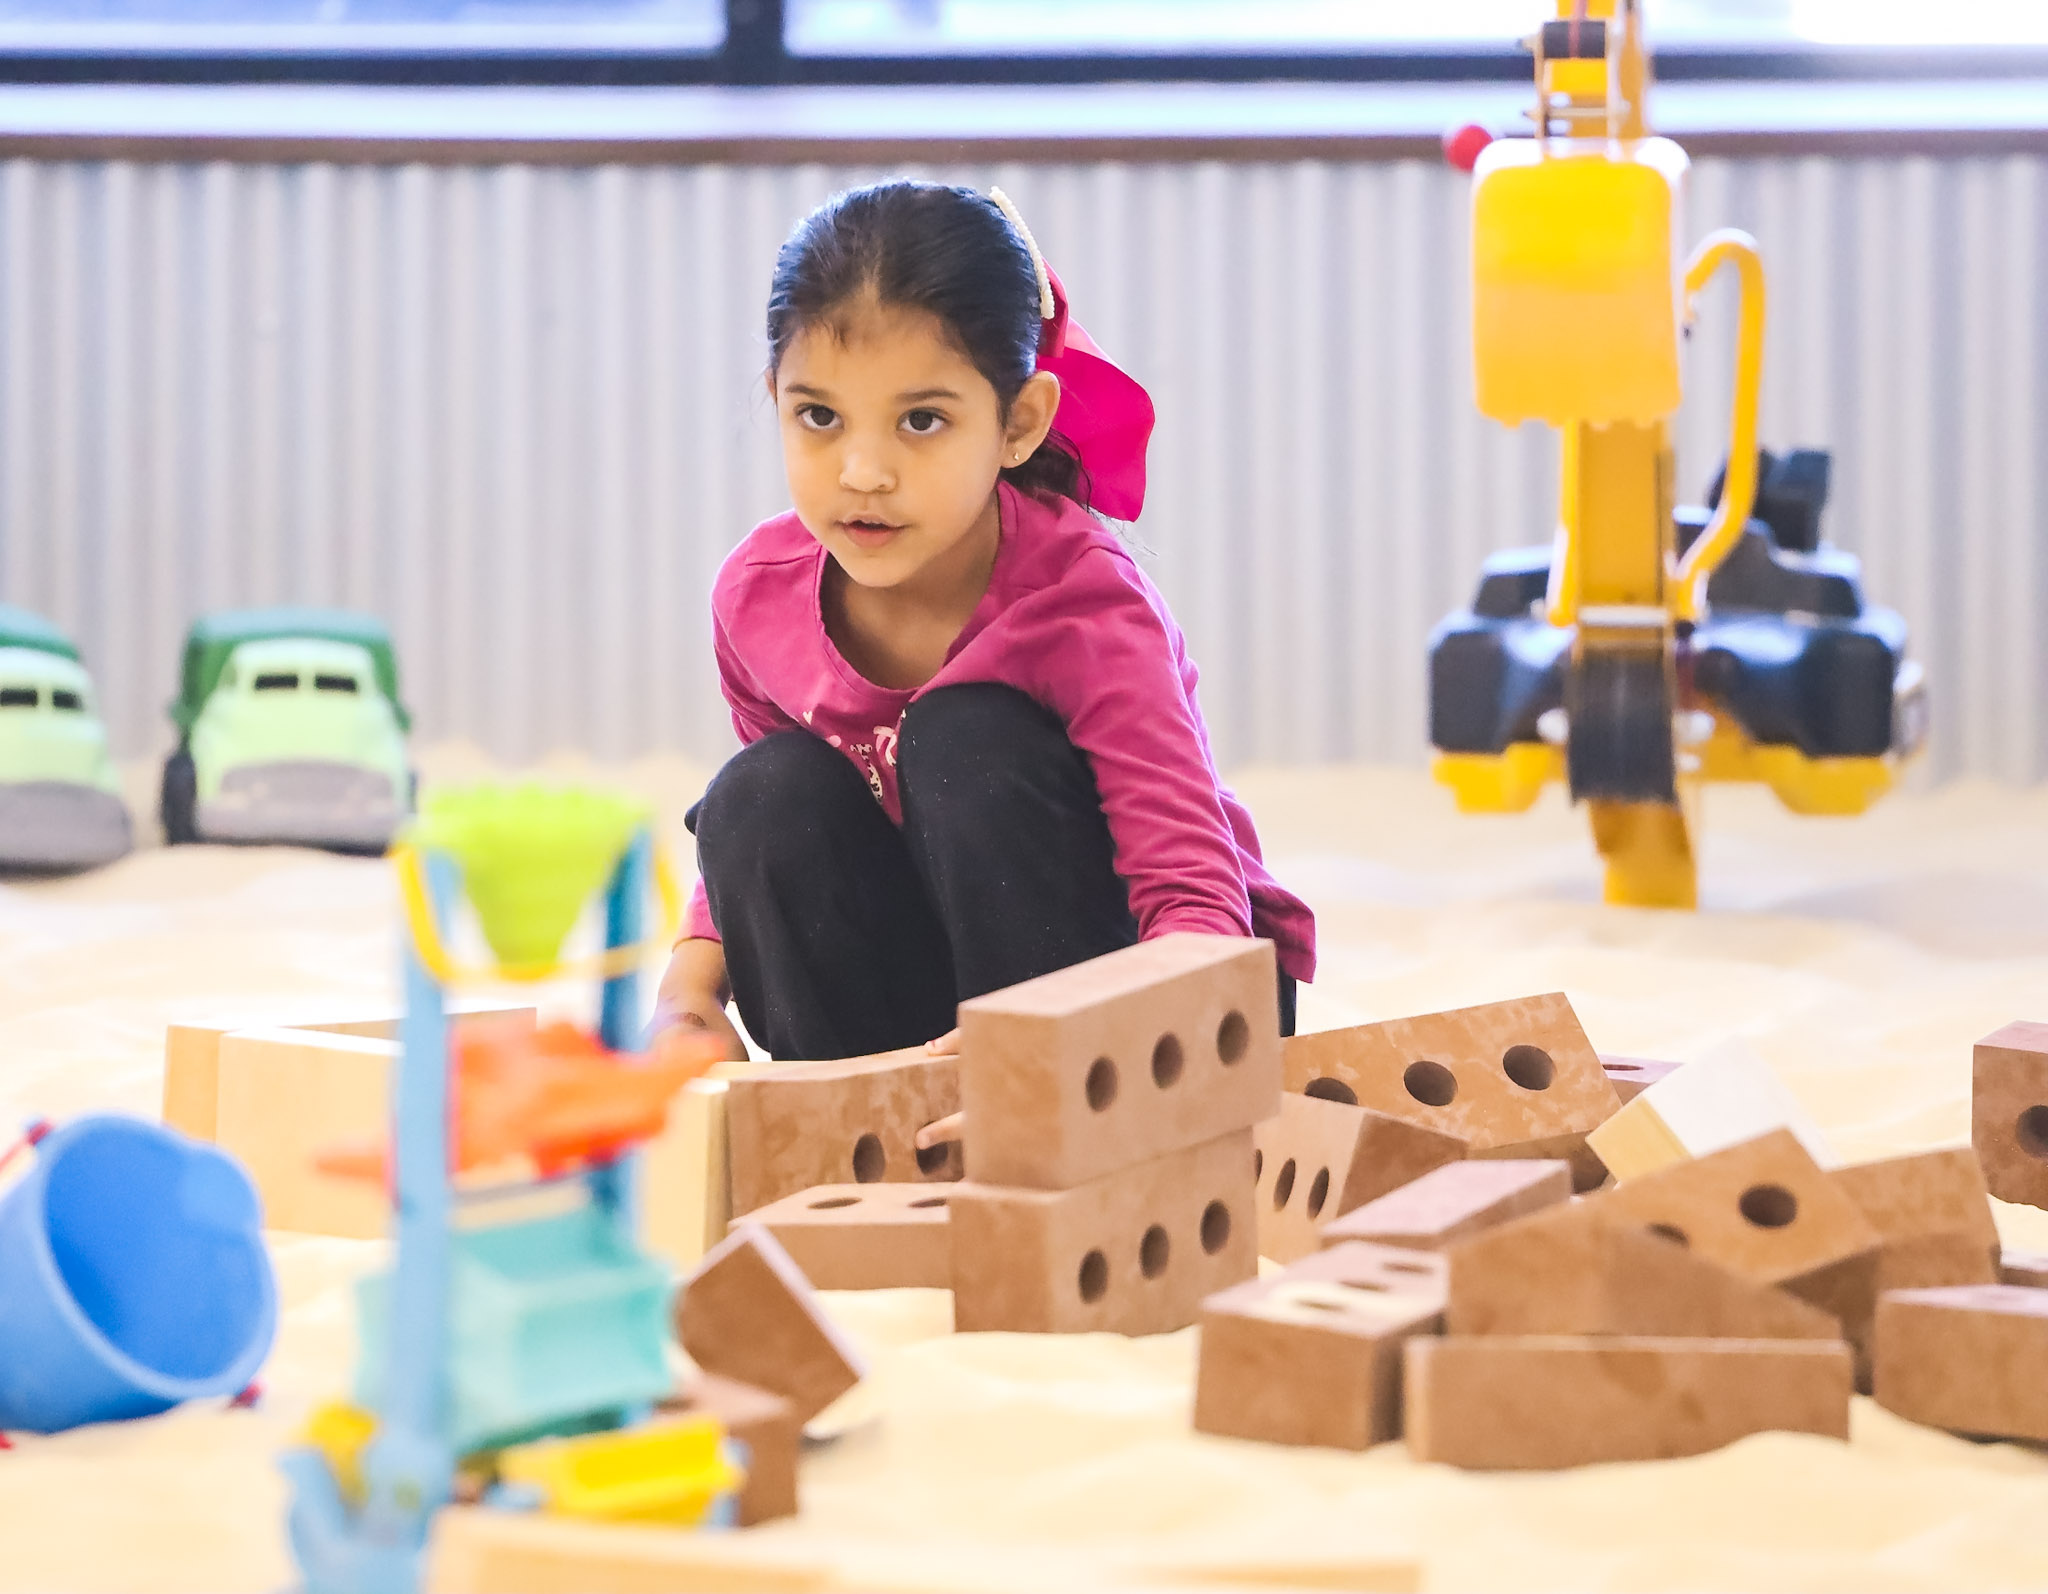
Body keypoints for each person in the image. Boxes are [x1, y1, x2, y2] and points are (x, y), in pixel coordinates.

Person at [657, 178, 1315, 1073]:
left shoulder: (1084, 601)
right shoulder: (756, 598)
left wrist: (1049, 1037)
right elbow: (777, 840)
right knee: (759, 790)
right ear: (776, 398)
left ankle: (1037, 1106)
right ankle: (856, 1116)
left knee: (964, 734)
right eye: (819, 416)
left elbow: (1195, 903)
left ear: (1019, 422)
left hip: (1162, 991)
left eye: (922, 420)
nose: (863, 471)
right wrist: (688, 992)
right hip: (944, 996)